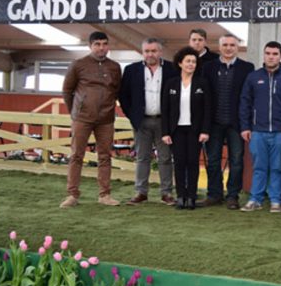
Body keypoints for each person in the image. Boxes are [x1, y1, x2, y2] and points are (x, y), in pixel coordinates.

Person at [59, 31, 122, 208]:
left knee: (105, 157)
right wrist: (75, 112)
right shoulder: (78, 65)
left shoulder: (115, 67)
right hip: (82, 119)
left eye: (104, 44)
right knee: (76, 155)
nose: (101, 48)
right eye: (97, 44)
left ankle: (105, 195)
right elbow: (67, 91)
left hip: (106, 119)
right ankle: (72, 195)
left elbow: (117, 91)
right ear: (90, 46)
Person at [239, 41, 281, 213]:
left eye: (275, 54)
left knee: (277, 167)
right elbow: (245, 103)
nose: (271, 57)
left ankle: (275, 200)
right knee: (259, 167)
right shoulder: (253, 77)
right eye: (268, 53)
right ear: (264, 55)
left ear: (280, 56)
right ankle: (255, 199)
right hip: (257, 131)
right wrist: (245, 127)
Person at [118, 38, 177, 206]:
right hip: (141, 122)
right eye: (147, 51)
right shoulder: (131, 70)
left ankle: (166, 193)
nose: (150, 54)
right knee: (142, 158)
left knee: (165, 158)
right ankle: (141, 192)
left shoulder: (172, 69)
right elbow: (123, 95)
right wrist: (132, 116)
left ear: (160, 52)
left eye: (154, 51)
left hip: (164, 122)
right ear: (142, 52)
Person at [201, 34, 254, 209]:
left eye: (232, 45)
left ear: (237, 48)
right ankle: (214, 194)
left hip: (236, 124)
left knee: (236, 161)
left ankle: (233, 196)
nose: (229, 48)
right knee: (213, 160)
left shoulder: (247, 68)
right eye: (225, 45)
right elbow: (204, 97)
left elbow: (248, 98)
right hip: (213, 123)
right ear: (219, 47)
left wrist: (246, 124)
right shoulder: (208, 67)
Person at [161, 47, 212, 210]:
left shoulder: (202, 83)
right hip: (176, 130)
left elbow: (207, 109)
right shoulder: (171, 83)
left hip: (195, 130)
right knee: (179, 163)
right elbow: (165, 109)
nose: (191, 64)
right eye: (188, 61)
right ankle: (180, 196)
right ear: (180, 63)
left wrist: (205, 130)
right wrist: (165, 132)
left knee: (193, 162)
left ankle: (191, 197)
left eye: (194, 62)